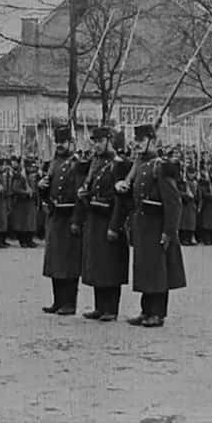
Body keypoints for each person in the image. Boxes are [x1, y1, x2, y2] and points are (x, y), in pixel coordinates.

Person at [121, 124, 186, 328]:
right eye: (136, 141)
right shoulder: (140, 165)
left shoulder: (161, 166)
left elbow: (173, 202)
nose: (137, 145)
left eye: (141, 141)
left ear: (152, 141)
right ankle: (146, 310)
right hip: (142, 225)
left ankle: (157, 313)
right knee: (145, 269)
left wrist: (169, 231)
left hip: (158, 226)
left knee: (158, 270)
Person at [74, 126, 130, 322]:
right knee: (98, 263)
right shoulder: (95, 162)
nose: (96, 145)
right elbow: (91, 185)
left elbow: (121, 199)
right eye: (94, 142)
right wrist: (84, 194)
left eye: (100, 141)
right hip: (94, 218)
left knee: (110, 264)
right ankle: (100, 306)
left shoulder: (119, 164)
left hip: (109, 218)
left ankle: (111, 308)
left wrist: (115, 226)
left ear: (109, 141)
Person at [39, 125, 84, 315]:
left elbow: (81, 195)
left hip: (69, 216)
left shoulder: (77, 164)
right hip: (55, 217)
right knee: (55, 262)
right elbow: (49, 189)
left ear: (72, 143)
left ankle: (69, 303)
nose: (59, 146)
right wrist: (41, 188)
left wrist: (77, 220)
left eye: (63, 142)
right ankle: (57, 301)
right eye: (57, 142)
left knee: (69, 263)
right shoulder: (53, 163)